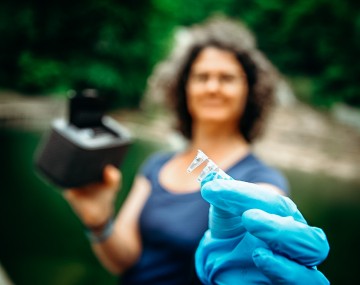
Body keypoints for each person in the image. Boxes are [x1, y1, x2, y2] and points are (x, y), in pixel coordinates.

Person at [63, 15, 329, 284]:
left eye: (226, 78)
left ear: (249, 91)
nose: (212, 87)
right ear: (184, 88)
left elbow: (264, 234)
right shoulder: (155, 166)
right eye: (202, 77)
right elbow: (125, 260)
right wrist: (99, 221)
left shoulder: (261, 180)